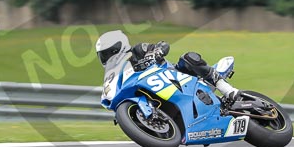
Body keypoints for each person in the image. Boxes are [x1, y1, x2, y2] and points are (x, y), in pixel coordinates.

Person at [94, 30, 241, 102]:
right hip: (158, 93)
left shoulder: (137, 51)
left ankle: (227, 90)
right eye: (102, 55)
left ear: (117, 49)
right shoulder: (116, 74)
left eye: (106, 53)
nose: (106, 58)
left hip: (177, 78)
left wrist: (156, 52)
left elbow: (163, 45)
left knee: (188, 58)